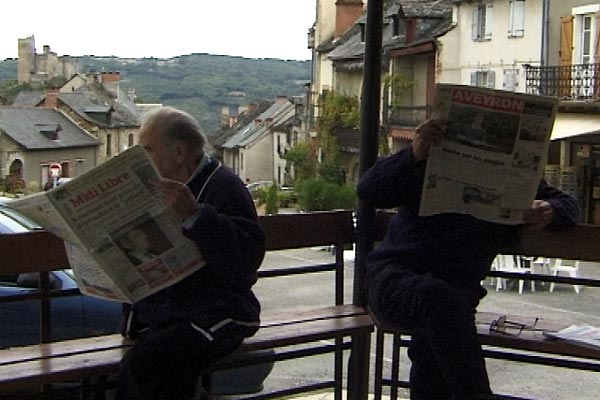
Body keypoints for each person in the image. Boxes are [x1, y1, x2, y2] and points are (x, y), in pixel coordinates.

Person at [356, 118, 579, 400]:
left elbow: (569, 204)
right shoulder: (425, 166)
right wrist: (414, 152)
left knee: (433, 352)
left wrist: (549, 209)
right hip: (394, 280)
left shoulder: (515, 181)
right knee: (439, 303)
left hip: (452, 295)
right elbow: (368, 189)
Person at [117, 107, 266, 400]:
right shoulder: (149, 189)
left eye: (148, 150)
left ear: (179, 153)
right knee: (153, 365)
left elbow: (245, 264)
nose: (141, 160)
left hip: (220, 312)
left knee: (148, 365)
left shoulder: (223, 186)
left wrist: (196, 217)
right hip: (168, 313)